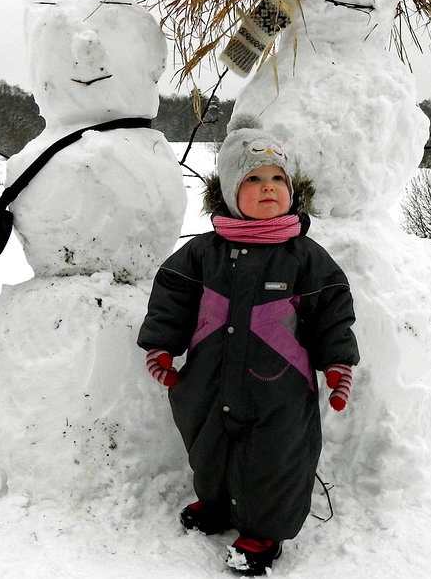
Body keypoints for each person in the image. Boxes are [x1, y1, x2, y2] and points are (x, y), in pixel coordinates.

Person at [138, 118, 359, 575]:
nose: (268, 188)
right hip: (209, 377)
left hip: (279, 385)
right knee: (208, 444)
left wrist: (336, 364)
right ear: (229, 193)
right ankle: (217, 504)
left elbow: (332, 312)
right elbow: (172, 298)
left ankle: (265, 529)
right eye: (253, 179)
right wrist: (161, 347)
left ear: (292, 189)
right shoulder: (203, 252)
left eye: (278, 178)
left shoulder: (305, 257)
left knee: (275, 455)